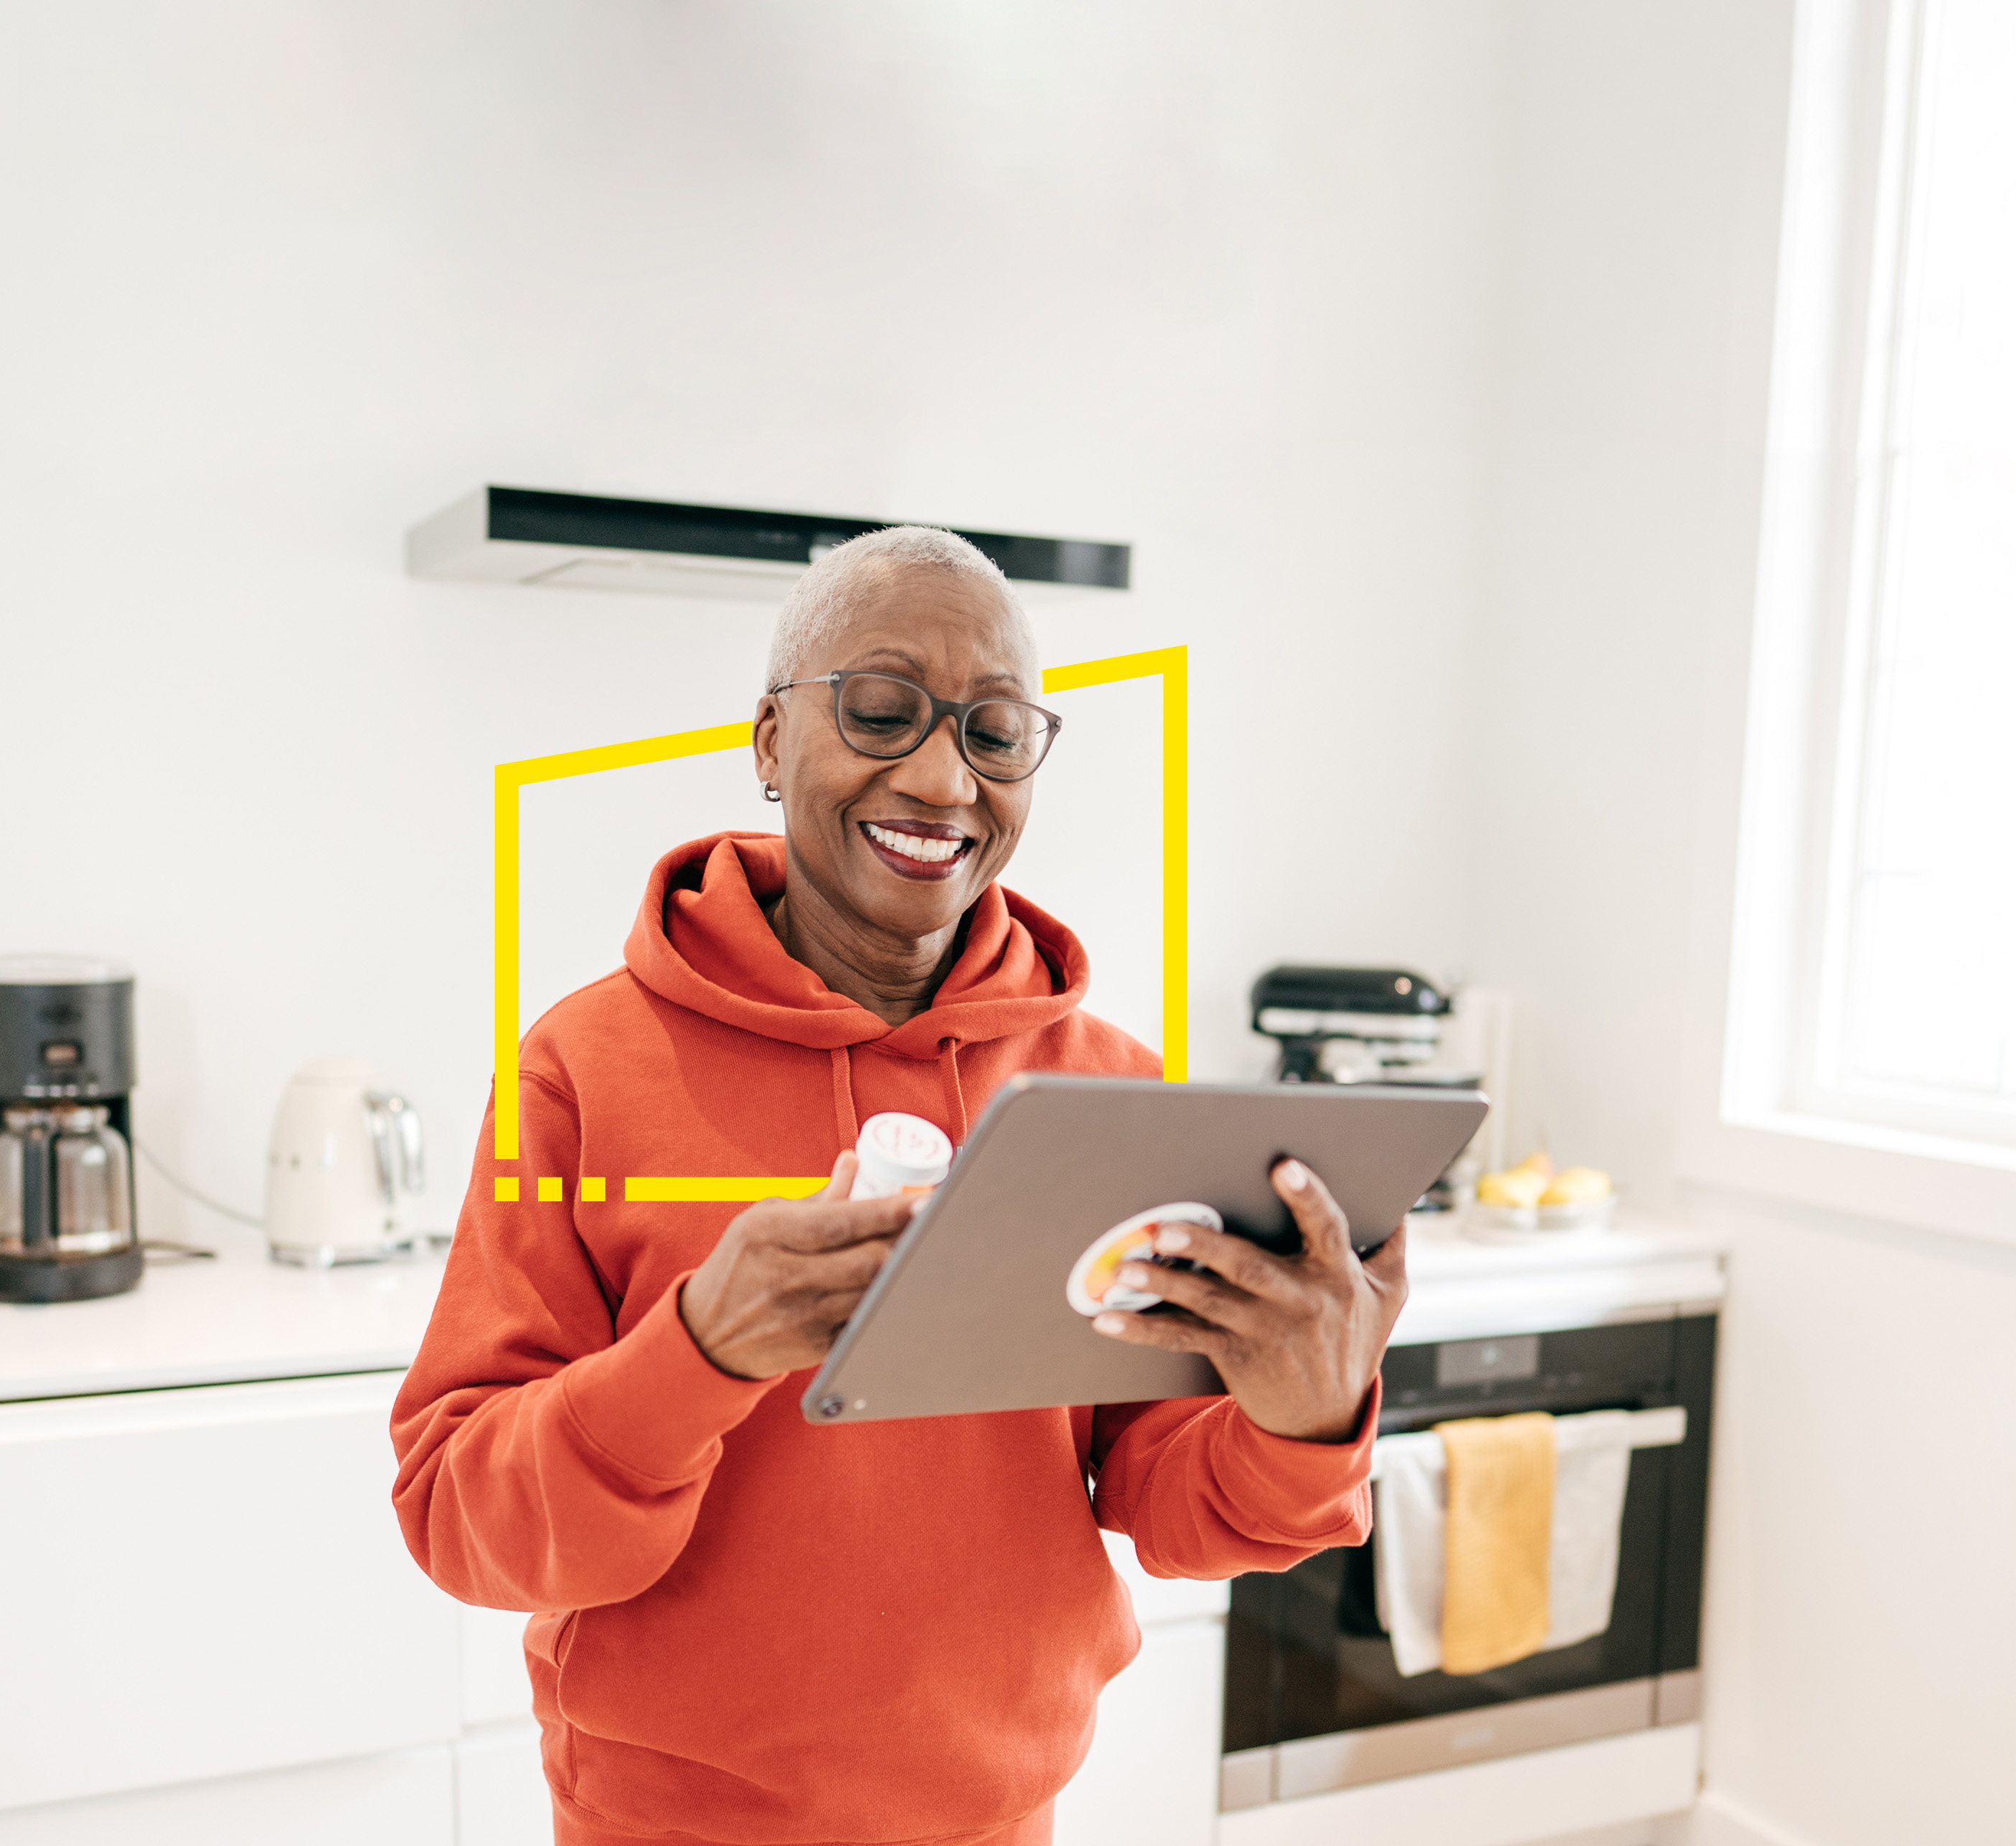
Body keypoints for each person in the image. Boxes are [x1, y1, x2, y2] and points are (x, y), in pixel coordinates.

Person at [392, 526, 1405, 1846]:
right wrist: (696, 1354)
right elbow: (463, 1520)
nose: (941, 779)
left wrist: (1303, 1415)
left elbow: (1162, 1493)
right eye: (880, 713)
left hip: (1003, 1821)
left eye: (993, 735)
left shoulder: (1111, 1089)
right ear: (768, 743)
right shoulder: (579, 1067)